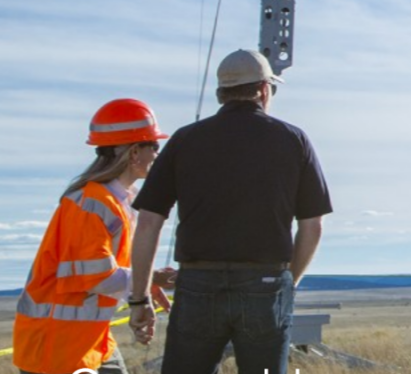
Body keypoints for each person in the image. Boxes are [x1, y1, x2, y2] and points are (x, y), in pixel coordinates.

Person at [128, 48, 333, 374]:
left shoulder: (185, 139)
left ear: (221, 93)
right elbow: (313, 226)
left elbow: (149, 222)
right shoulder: (293, 140)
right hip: (266, 280)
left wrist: (139, 299)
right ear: (264, 90)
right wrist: (285, 284)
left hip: (197, 282)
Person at [12, 98, 177, 374]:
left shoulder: (118, 202)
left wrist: (144, 288)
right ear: (135, 151)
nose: (157, 156)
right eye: (154, 147)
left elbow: (104, 273)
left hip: (88, 343)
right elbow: (95, 276)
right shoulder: (91, 203)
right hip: (57, 348)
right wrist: (148, 279)